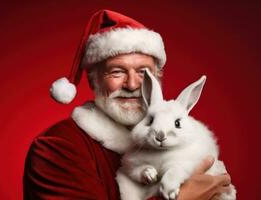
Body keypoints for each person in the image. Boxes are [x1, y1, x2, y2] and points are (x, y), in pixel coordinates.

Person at [23, 9, 231, 200]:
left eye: (143, 73)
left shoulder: (180, 143)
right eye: (117, 72)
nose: (132, 85)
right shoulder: (58, 146)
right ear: (93, 80)